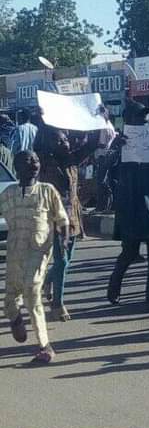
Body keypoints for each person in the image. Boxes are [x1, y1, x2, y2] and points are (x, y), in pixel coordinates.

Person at [0, 151, 69, 363]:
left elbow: (62, 218)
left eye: (37, 160)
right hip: (14, 252)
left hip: (38, 251)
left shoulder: (47, 190)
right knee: (10, 299)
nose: (34, 164)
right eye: (28, 160)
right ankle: (15, 319)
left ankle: (45, 345)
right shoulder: (9, 193)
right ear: (18, 166)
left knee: (32, 291)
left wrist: (64, 239)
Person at [106, 101, 149, 310]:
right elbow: (105, 173)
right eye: (140, 121)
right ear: (129, 122)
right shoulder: (119, 147)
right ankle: (113, 288)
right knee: (129, 253)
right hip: (130, 207)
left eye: (147, 122)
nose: (144, 126)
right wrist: (115, 150)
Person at [36, 126, 94, 321]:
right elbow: (37, 145)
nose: (64, 143)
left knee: (66, 259)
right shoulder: (43, 161)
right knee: (61, 261)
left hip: (73, 218)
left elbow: (91, 145)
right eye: (58, 141)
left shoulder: (71, 159)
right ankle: (57, 305)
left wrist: (97, 121)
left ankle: (46, 282)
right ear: (50, 144)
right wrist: (43, 120)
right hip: (54, 218)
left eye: (65, 140)